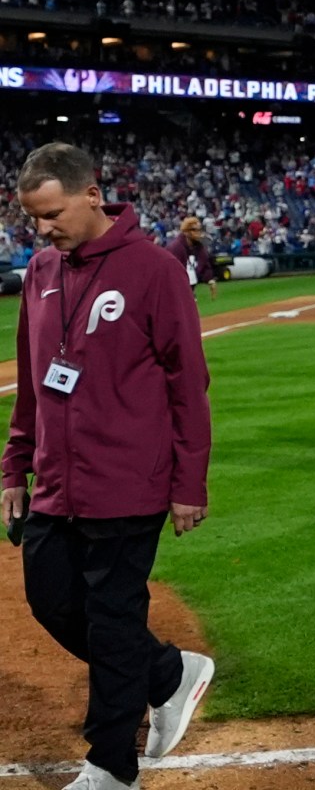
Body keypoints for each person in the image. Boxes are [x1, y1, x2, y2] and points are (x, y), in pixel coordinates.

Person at [5, 142, 218, 790]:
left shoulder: (153, 270)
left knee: (112, 614)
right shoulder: (40, 272)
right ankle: (169, 674)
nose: (43, 229)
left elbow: (189, 383)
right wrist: (14, 467)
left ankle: (110, 766)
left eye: (51, 213)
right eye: (33, 219)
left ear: (92, 195)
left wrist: (188, 483)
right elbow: (35, 385)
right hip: (56, 482)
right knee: (50, 599)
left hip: (130, 482)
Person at [160, 214, 216, 289]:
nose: (198, 232)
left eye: (199, 229)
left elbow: (204, 265)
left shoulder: (199, 247)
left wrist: (209, 279)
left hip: (189, 290)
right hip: (175, 289)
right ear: (185, 232)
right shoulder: (175, 248)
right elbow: (171, 273)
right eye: (194, 230)